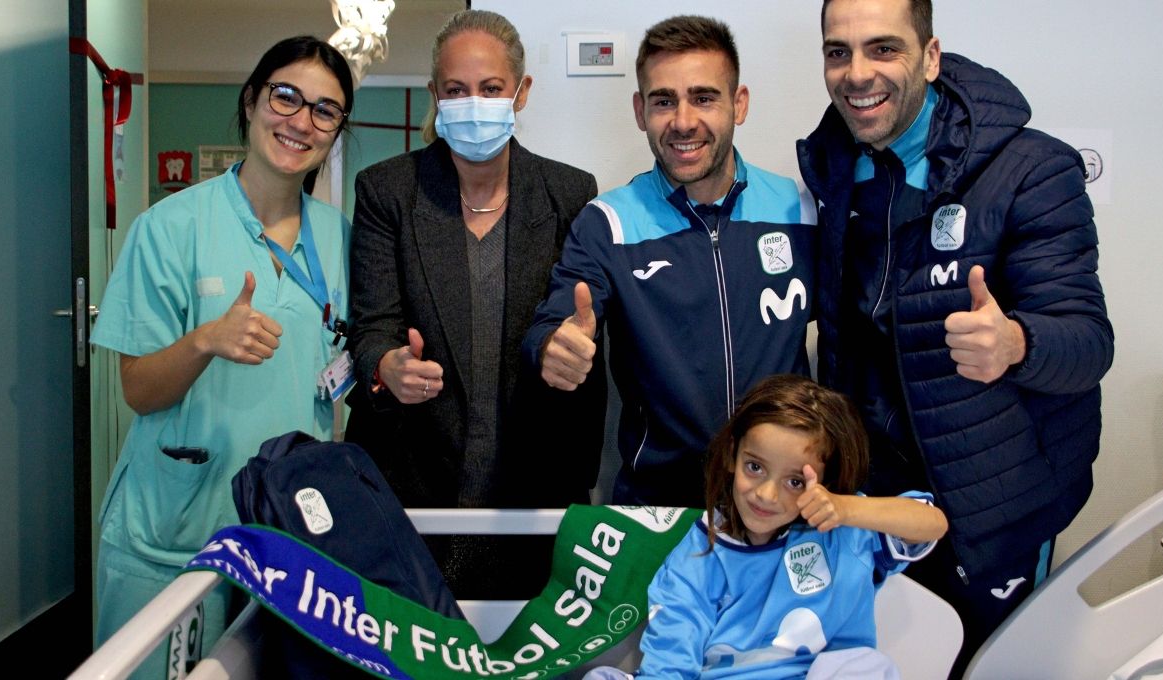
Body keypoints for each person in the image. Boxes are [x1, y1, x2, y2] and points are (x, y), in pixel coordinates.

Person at [796, 0, 1114, 674]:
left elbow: (1088, 341)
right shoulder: (830, 169)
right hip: (876, 500)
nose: (857, 74)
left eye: (883, 49)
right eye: (838, 52)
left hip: (989, 508)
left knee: (981, 665)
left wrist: (1017, 342)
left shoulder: (1031, 170)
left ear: (930, 58)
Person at [90, 35, 354, 677]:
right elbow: (139, 391)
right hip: (180, 520)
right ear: (251, 100)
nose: (301, 121)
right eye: (285, 96)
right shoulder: (170, 226)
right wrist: (205, 340)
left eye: (325, 110)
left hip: (287, 527)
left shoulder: (339, 234)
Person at [343, 9, 606, 599]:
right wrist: (387, 364)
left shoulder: (569, 194)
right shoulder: (388, 191)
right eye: (456, 90)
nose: (473, 103)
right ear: (435, 94)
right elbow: (372, 325)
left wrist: (571, 354)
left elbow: (575, 329)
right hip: (416, 483)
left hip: (532, 484)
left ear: (521, 92)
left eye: (490, 89)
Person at [525, 15, 817, 507]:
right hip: (658, 506)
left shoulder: (801, 209)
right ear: (640, 111)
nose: (683, 121)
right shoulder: (609, 222)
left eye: (704, 97)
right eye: (664, 101)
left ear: (738, 104)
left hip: (786, 502)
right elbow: (553, 321)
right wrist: (553, 346)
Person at [585, 374, 947, 679]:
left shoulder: (844, 528)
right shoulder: (702, 551)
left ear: (824, 481)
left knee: (870, 667)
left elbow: (932, 523)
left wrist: (847, 508)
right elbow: (673, 653)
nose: (767, 495)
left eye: (795, 482)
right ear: (732, 455)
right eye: (755, 467)